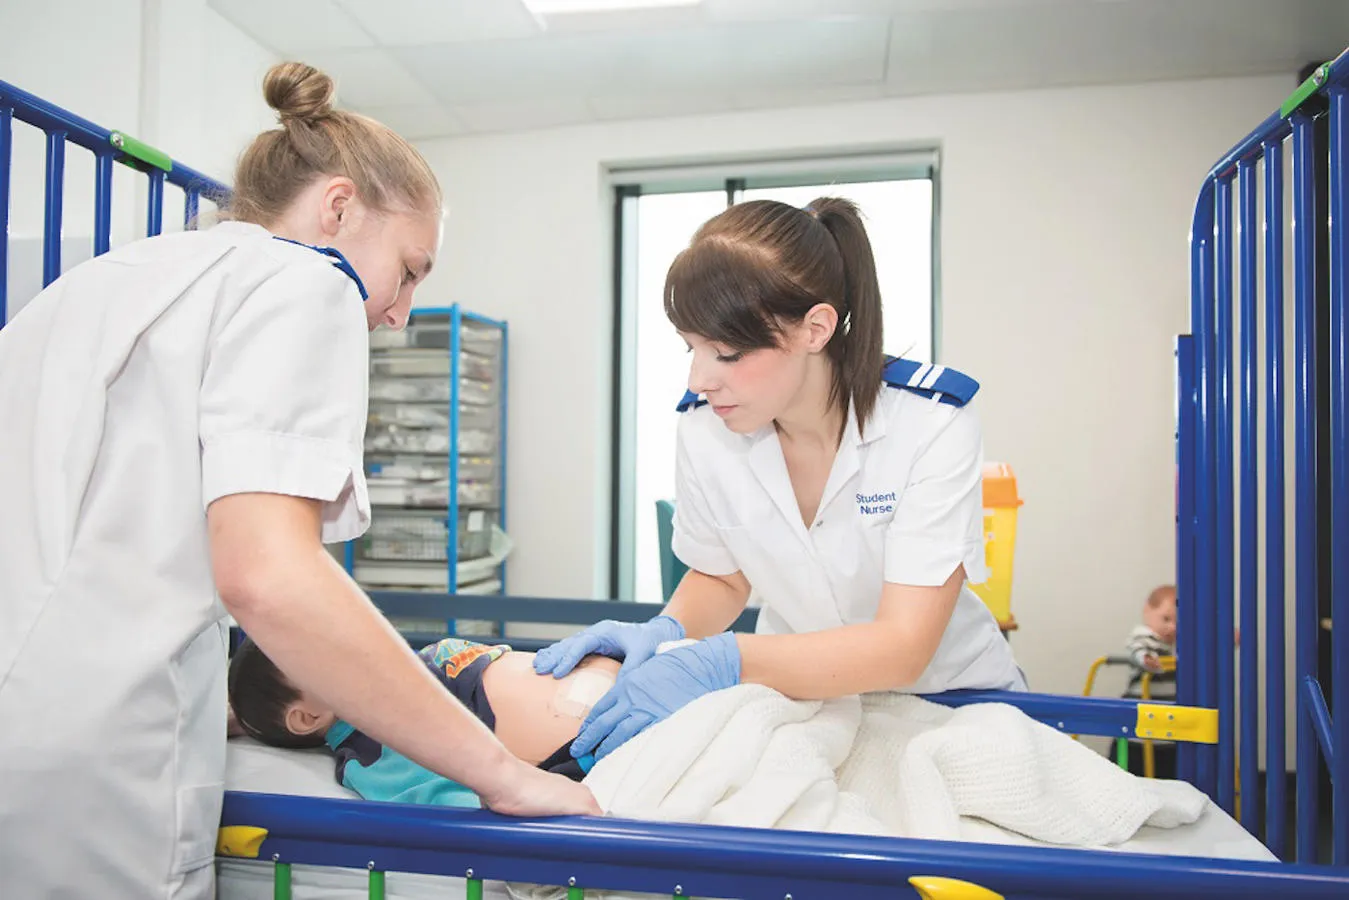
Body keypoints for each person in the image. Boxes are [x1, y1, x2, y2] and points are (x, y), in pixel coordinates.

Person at [0, 61, 596, 900]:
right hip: (87, 760)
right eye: (410, 268)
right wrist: (502, 774)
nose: (401, 312)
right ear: (338, 208)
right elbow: (270, 578)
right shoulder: (305, 281)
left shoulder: (105, 281)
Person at [535, 198, 1025, 761]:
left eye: (727, 352)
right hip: (806, 700)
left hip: (952, 702)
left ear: (815, 329)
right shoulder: (705, 428)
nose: (698, 380)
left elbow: (903, 646)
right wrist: (667, 631)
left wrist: (725, 660)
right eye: (692, 348)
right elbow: (722, 577)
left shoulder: (930, 423)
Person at [228, 633, 661, 803]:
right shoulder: (372, 750)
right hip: (623, 741)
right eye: (314, 653)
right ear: (307, 718)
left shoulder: (397, 668)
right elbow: (446, 804)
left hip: (648, 674)